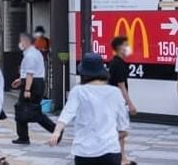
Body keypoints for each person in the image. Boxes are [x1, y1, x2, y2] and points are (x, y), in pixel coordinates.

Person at [48, 52, 130, 165]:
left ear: (83, 73)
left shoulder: (78, 91)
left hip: (84, 152)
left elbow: (67, 113)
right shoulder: (115, 93)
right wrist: (107, 136)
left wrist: (57, 132)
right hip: (110, 152)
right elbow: (123, 130)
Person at [11, 32, 56, 144]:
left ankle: (54, 129)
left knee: (25, 109)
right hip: (35, 82)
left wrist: (26, 89)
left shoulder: (30, 55)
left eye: (21, 41)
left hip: (32, 85)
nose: (20, 44)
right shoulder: (35, 53)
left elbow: (30, 74)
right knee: (29, 110)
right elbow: (30, 73)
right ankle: (23, 136)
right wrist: (21, 80)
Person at [108, 36, 137, 165]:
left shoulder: (116, 62)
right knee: (122, 131)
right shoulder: (118, 64)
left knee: (120, 130)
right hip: (117, 102)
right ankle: (116, 155)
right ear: (119, 48)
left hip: (116, 101)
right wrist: (130, 104)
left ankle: (122, 157)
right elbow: (121, 85)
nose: (128, 48)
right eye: (126, 45)